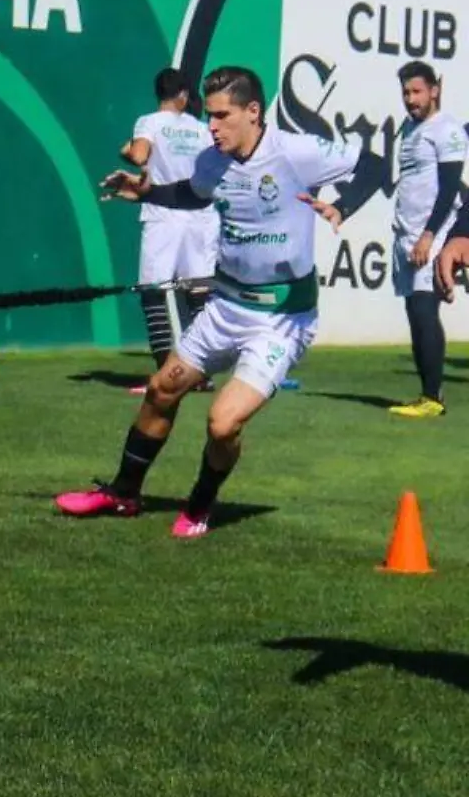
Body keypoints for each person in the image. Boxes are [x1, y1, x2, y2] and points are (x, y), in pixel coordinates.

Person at [56, 66, 379, 537]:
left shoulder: (295, 151)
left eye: (222, 116)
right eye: (209, 115)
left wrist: (342, 205)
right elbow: (193, 193)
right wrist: (146, 191)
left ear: (253, 112)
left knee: (222, 423)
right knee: (161, 388)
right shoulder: (212, 160)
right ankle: (123, 494)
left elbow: (373, 164)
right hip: (225, 308)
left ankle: (200, 505)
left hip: (281, 319)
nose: (212, 126)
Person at [122, 69, 216, 382]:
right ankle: (203, 372)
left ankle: (166, 373)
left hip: (163, 216)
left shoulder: (149, 121)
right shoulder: (201, 128)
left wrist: (128, 150)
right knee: (199, 295)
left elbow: (137, 156)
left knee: (153, 292)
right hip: (201, 216)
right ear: (183, 96)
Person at [382, 61, 463, 418]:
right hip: (408, 235)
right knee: (415, 311)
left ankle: (433, 398)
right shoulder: (410, 128)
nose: (410, 99)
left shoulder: (447, 130)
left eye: (417, 91)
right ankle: (427, 395)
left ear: (435, 90)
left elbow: (448, 189)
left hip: (432, 234)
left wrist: (430, 236)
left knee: (424, 309)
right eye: (405, 92)